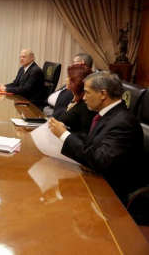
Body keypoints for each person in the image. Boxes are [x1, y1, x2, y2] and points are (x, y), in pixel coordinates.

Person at [48, 72, 144, 202]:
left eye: (87, 92)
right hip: (97, 178)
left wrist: (65, 136)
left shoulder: (123, 123)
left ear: (103, 94)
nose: (83, 98)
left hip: (111, 193)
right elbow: (91, 139)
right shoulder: (107, 113)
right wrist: (64, 134)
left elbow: (101, 160)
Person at [50, 53, 93, 119]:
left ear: (77, 80)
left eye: (69, 77)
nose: (66, 79)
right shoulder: (75, 98)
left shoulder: (83, 105)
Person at [57, 64, 97, 133]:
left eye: (69, 77)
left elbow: (85, 135)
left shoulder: (85, 104)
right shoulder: (73, 97)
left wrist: (63, 131)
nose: (66, 79)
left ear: (76, 81)